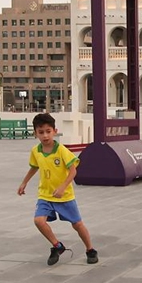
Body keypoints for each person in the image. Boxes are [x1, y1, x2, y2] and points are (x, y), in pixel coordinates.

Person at [17, 113, 98, 266]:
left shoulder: (62, 150)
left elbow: (73, 171)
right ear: (35, 133)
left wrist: (62, 187)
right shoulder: (35, 151)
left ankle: (90, 249)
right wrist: (24, 183)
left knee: (77, 224)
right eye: (41, 132)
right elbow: (34, 167)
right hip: (45, 195)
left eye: (48, 131)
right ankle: (57, 246)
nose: (45, 135)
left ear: (55, 131)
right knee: (38, 221)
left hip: (64, 196)